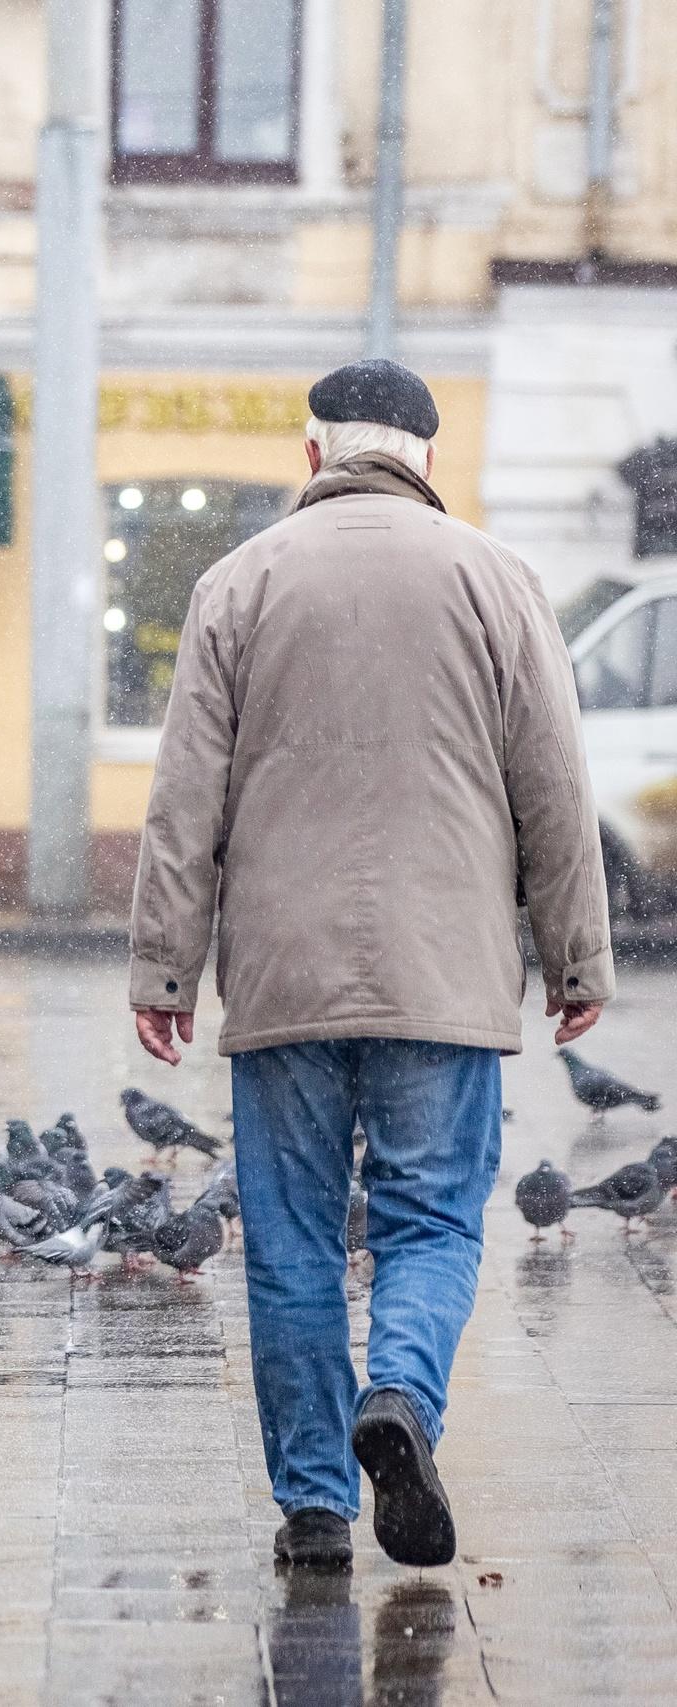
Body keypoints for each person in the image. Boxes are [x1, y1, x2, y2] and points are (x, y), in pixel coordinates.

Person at [129, 359, 614, 1573]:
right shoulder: (498, 582)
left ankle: (311, 1508)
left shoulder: (234, 584)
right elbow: (553, 786)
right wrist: (574, 958)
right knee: (432, 1222)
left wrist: (163, 971)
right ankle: (395, 1395)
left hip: (283, 974)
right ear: (425, 460)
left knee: (290, 1240)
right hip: (443, 971)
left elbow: (182, 800)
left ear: (310, 456)